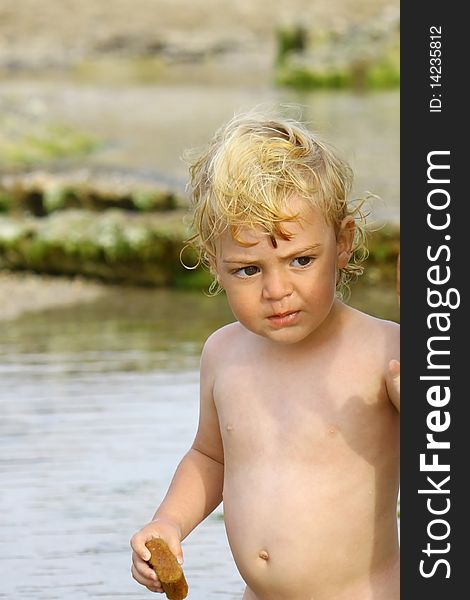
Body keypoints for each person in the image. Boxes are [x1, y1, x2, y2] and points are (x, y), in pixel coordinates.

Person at [130, 108, 400, 600]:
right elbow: (210, 456)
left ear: (343, 243)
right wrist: (168, 522)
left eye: (301, 260)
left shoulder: (386, 352)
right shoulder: (223, 353)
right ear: (213, 264)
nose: (277, 290)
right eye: (248, 270)